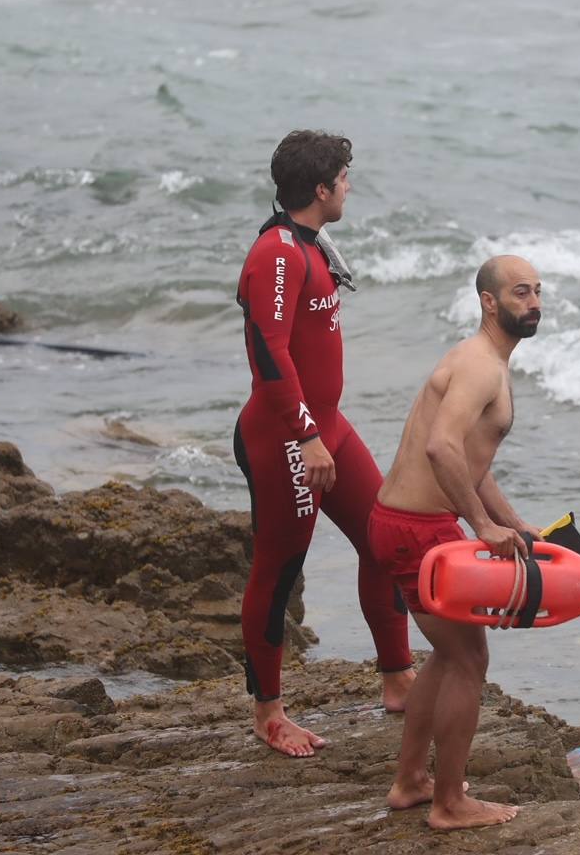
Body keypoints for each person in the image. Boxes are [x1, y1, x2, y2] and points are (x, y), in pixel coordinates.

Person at [233, 130, 415, 758]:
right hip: (288, 435)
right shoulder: (277, 254)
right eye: (343, 176)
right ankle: (269, 714)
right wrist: (306, 435)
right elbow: (268, 351)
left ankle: (397, 678)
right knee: (280, 570)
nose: (349, 185)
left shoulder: (309, 242)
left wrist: (321, 428)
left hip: (327, 424)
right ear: (319, 189)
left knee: (384, 538)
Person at [369, 254, 544, 830]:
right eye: (521, 293)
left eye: (538, 292)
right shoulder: (480, 367)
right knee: (470, 658)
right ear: (489, 302)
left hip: (400, 522)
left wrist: (512, 524)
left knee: (450, 655)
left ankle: (411, 782)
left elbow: (472, 462)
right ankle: (450, 803)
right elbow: (441, 449)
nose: (534, 303)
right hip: (420, 529)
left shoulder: (484, 360)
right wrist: (481, 528)